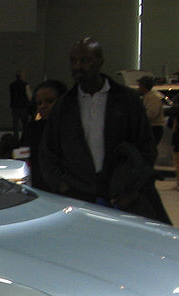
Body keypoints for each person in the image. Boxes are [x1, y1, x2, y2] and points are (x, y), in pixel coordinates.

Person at [38, 37, 169, 223]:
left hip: (122, 198)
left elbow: (146, 149)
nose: (78, 66)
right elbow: (48, 153)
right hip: (79, 197)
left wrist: (132, 188)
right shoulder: (64, 106)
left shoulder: (127, 101)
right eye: (73, 61)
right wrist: (62, 185)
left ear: (100, 61)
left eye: (84, 60)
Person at [23, 79, 68, 190]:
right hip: (39, 189)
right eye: (39, 103)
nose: (43, 106)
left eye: (50, 101)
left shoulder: (71, 130)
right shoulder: (32, 129)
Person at [137, 75, 166, 147]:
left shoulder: (153, 97)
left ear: (144, 86)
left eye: (140, 85)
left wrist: (138, 115)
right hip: (151, 127)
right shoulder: (148, 96)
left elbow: (151, 114)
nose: (138, 88)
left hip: (154, 128)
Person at [9, 70, 31, 140]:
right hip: (23, 106)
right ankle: (24, 137)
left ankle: (16, 137)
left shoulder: (12, 85)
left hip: (14, 106)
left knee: (15, 123)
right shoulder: (25, 85)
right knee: (25, 123)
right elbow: (29, 96)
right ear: (22, 76)